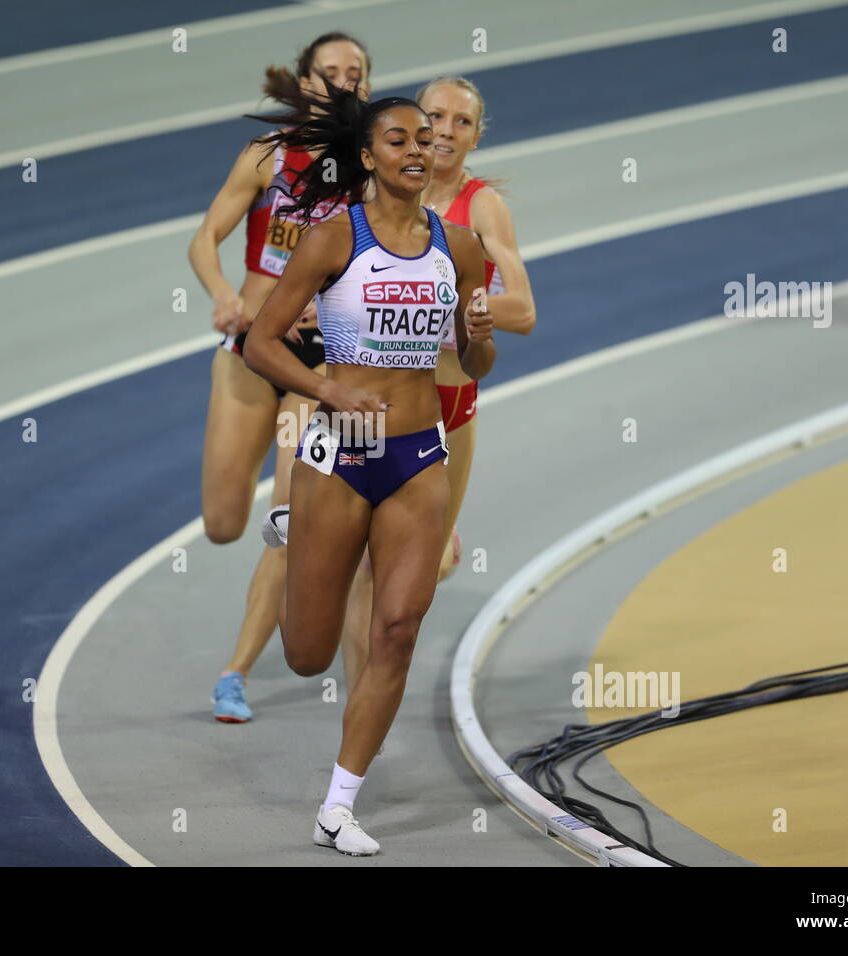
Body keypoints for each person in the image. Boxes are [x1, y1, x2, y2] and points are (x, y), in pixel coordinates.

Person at [242, 75, 495, 855]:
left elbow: (476, 359)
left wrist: (479, 332)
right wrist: (326, 388)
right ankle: (293, 536)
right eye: (401, 139)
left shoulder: (460, 246)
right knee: (309, 652)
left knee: (397, 627)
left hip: (419, 457)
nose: (420, 149)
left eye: (426, 139)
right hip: (339, 454)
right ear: (367, 156)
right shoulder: (334, 238)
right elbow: (261, 342)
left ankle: (339, 804)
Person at [186, 33, 371, 722]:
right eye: (331, 73)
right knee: (223, 525)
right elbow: (204, 239)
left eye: (357, 74)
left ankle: (234, 674)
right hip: (245, 352)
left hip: (316, 366)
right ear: (304, 82)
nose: (344, 83)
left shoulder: (367, 166)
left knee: (287, 523)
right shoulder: (267, 156)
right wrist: (223, 296)